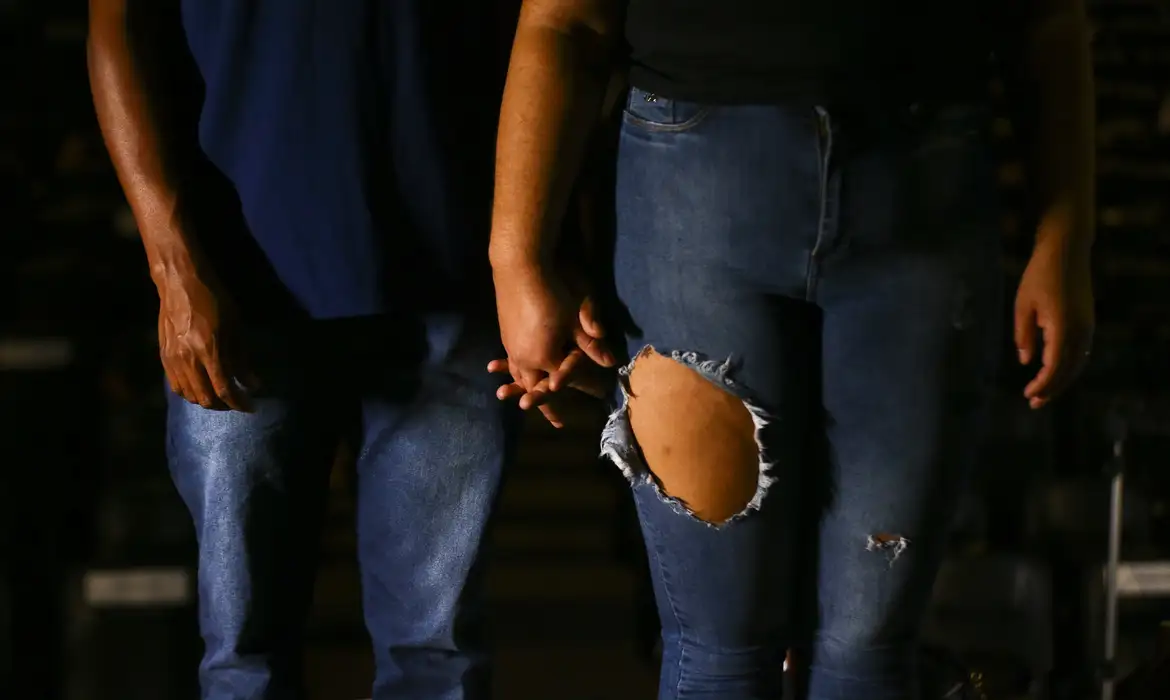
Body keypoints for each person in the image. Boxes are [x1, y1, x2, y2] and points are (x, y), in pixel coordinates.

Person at [489, 0, 1096, 697]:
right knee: (720, 648)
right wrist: (517, 259)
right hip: (695, 191)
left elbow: (1048, 20)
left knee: (867, 650)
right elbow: (564, 20)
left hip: (923, 195)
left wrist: (1067, 237)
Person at [88, 1, 520, 698]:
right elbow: (115, 23)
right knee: (243, 660)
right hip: (239, 282)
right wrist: (173, 268)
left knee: (438, 657)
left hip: (453, 260)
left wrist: (544, 250)